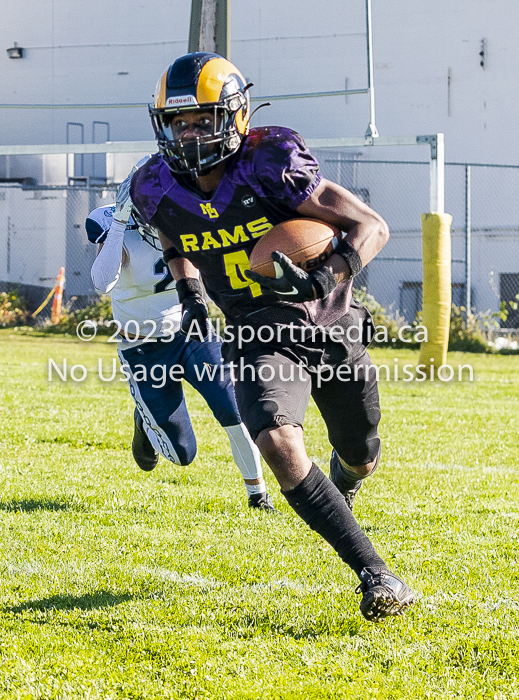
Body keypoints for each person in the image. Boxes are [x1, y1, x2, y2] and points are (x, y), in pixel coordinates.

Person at [128, 51, 416, 622]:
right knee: (281, 447)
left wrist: (324, 274)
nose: (188, 135)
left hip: (330, 324)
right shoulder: (155, 186)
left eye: (202, 120)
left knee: (360, 453)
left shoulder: (269, 163)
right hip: (257, 333)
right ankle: (377, 574)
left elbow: (370, 226)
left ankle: (346, 476)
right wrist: (190, 297)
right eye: (178, 122)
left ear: (234, 117)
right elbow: (175, 239)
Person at [85, 171, 274, 511]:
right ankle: (145, 424)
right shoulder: (116, 226)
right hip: (142, 349)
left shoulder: (189, 218)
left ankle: (257, 496)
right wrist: (118, 223)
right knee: (182, 454)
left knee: (235, 410)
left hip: (192, 334)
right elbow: (103, 282)